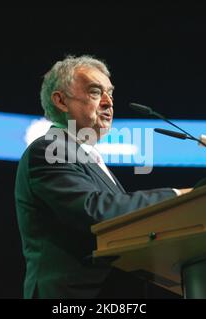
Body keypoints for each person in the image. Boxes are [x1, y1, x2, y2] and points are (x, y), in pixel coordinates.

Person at [15, 55, 191, 299]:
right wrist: (175, 197)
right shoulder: (48, 150)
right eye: (96, 92)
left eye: (110, 93)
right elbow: (96, 211)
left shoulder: (88, 157)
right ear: (61, 101)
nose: (109, 102)